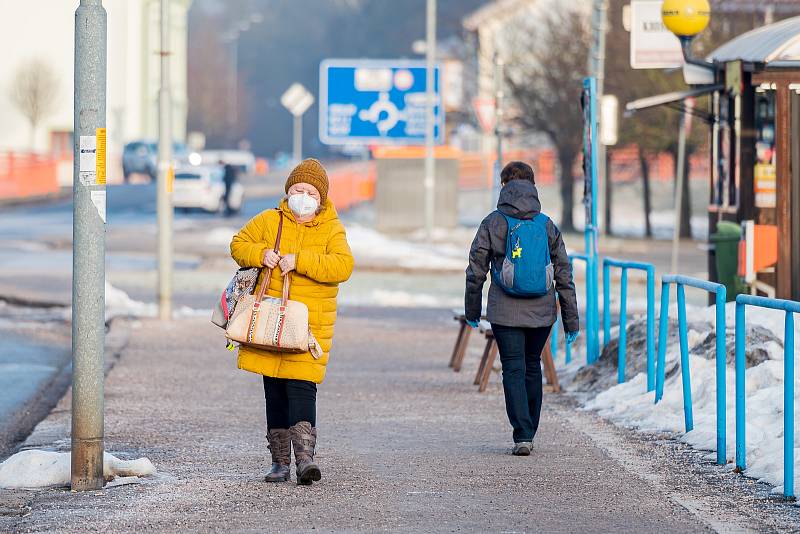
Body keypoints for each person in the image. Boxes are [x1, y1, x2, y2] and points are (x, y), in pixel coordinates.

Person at [230, 158, 354, 484]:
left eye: (310, 191)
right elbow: (238, 244)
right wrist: (261, 254)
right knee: (274, 389)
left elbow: (342, 266)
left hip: (309, 325)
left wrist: (300, 261)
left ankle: (305, 460)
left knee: (302, 387)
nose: (302, 195)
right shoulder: (270, 221)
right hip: (269, 321)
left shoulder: (331, 227)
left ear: (321, 197)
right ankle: (279, 462)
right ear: (288, 191)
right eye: (297, 189)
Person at [465, 161, 579, 456]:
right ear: (532, 186)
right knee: (532, 367)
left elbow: (476, 270)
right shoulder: (546, 224)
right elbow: (564, 273)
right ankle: (531, 430)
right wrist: (571, 321)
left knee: (513, 368)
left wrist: (472, 311)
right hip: (541, 312)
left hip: (504, 311)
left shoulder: (492, 222)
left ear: (504, 186)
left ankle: (522, 434)